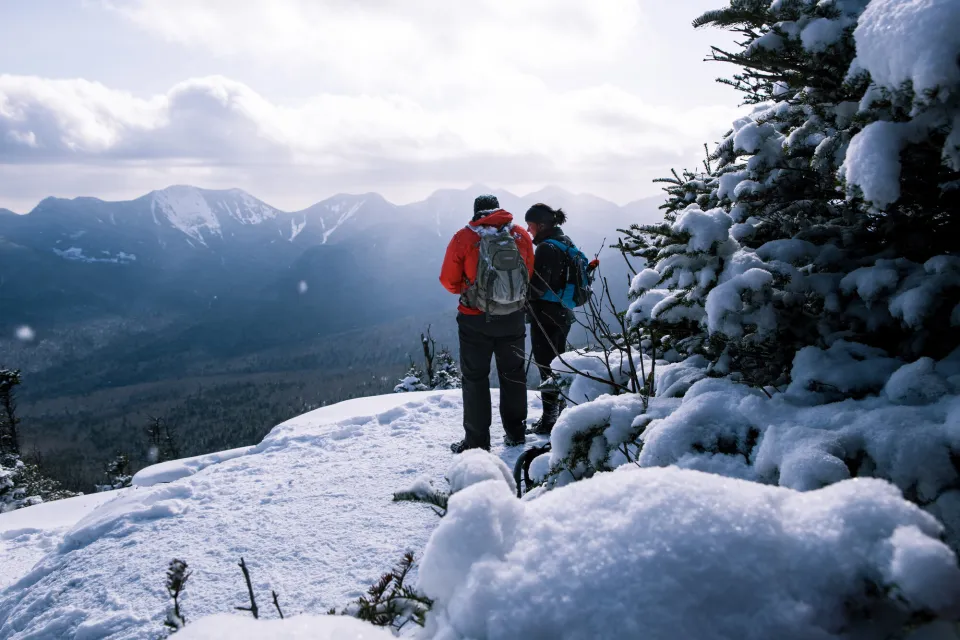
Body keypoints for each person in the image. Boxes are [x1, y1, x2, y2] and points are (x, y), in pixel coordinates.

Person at [439, 194, 535, 453]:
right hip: (514, 316)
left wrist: (473, 290)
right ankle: (516, 433)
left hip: (475, 318)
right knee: (513, 375)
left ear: (475, 212)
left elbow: (448, 281)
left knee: (475, 379)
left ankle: (477, 442)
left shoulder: (464, 238)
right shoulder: (520, 236)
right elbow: (528, 272)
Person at [524, 203, 576, 435]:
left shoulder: (546, 248)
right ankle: (561, 412)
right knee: (558, 365)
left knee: (547, 367)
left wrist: (520, 295)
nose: (528, 230)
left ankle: (550, 419)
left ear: (541, 225)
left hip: (546, 316)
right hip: (564, 313)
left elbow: (538, 286)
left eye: (530, 225)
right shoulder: (565, 242)